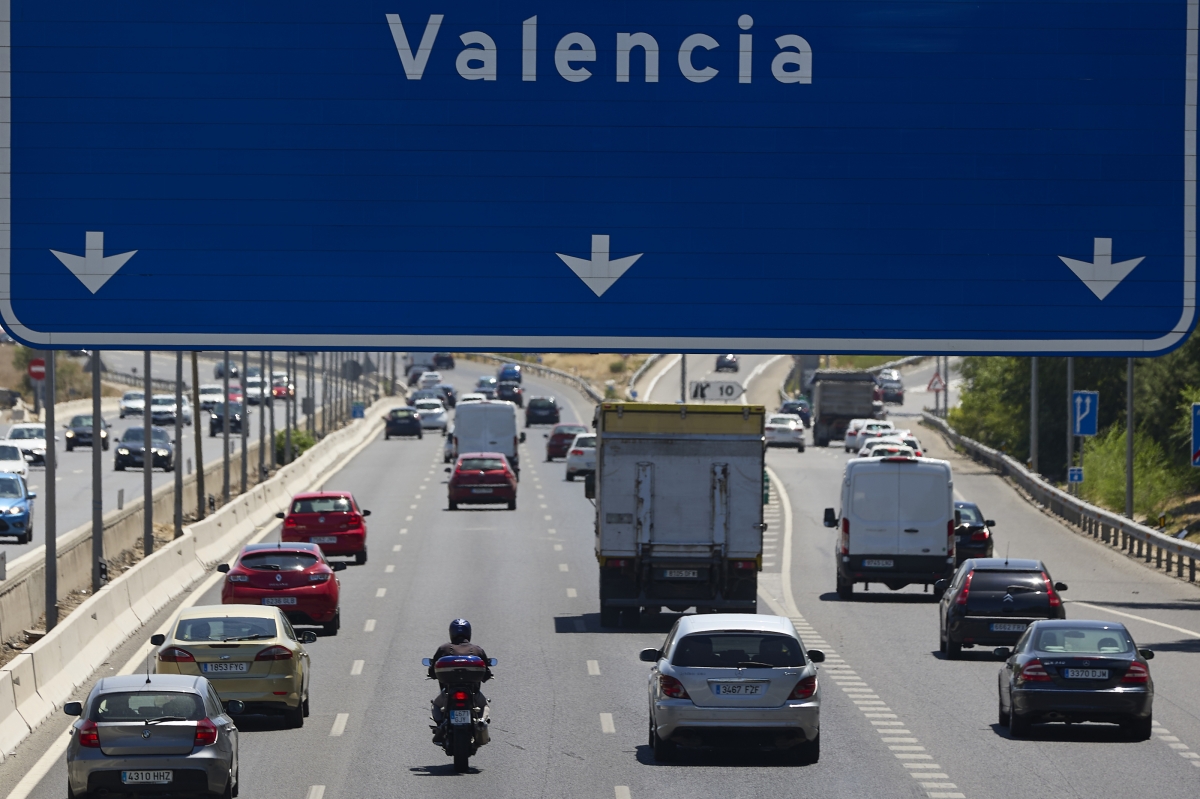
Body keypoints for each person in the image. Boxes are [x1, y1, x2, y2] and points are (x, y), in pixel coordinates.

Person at [428, 619, 492, 744]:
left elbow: (432, 670)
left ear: (451, 633)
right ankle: (481, 722)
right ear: (469, 633)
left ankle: (441, 725)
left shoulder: (444, 648)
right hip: (472, 692)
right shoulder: (477, 649)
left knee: (435, 705)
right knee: (484, 705)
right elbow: (487, 672)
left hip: (448, 692)